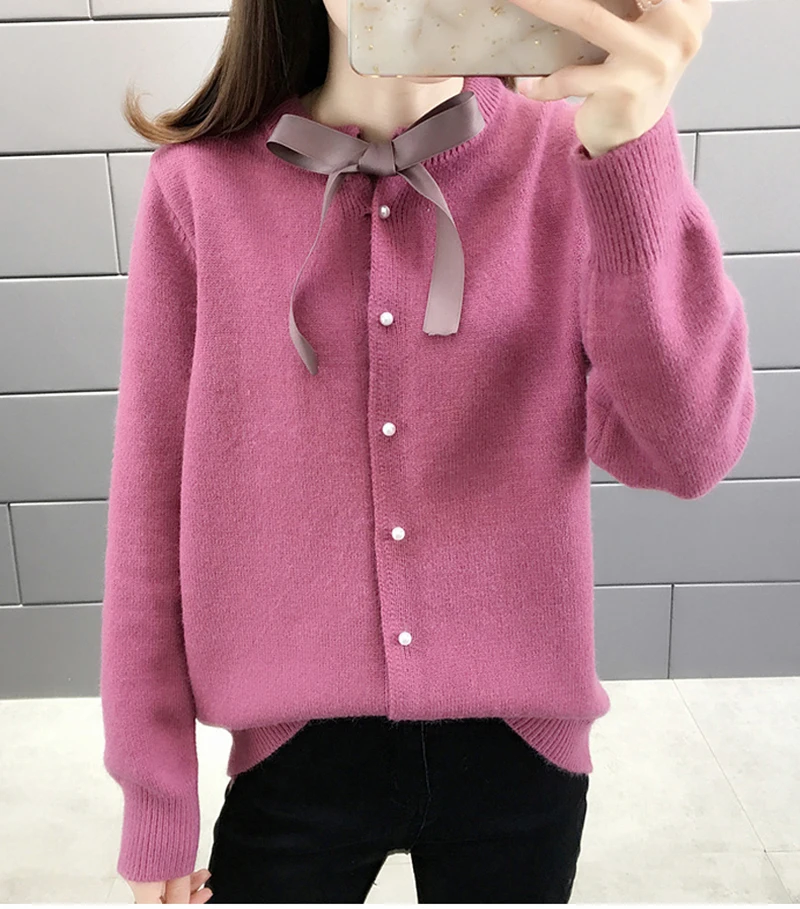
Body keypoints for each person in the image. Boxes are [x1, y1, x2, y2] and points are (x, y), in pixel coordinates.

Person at [100, 0, 752, 903]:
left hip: (522, 749)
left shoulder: (571, 158)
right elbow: (148, 506)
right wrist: (156, 795)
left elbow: (685, 452)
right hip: (292, 751)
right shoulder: (198, 187)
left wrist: (635, 152)